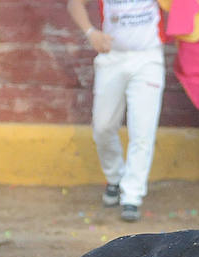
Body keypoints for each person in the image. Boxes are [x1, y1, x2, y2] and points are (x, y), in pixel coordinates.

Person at [67, 0, 166, 222]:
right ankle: (115, 178)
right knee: (102, 127)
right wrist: (91, 32)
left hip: (148, 58)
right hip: (112, 56)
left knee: (142, 130)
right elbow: (74, 3)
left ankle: (132, 195)